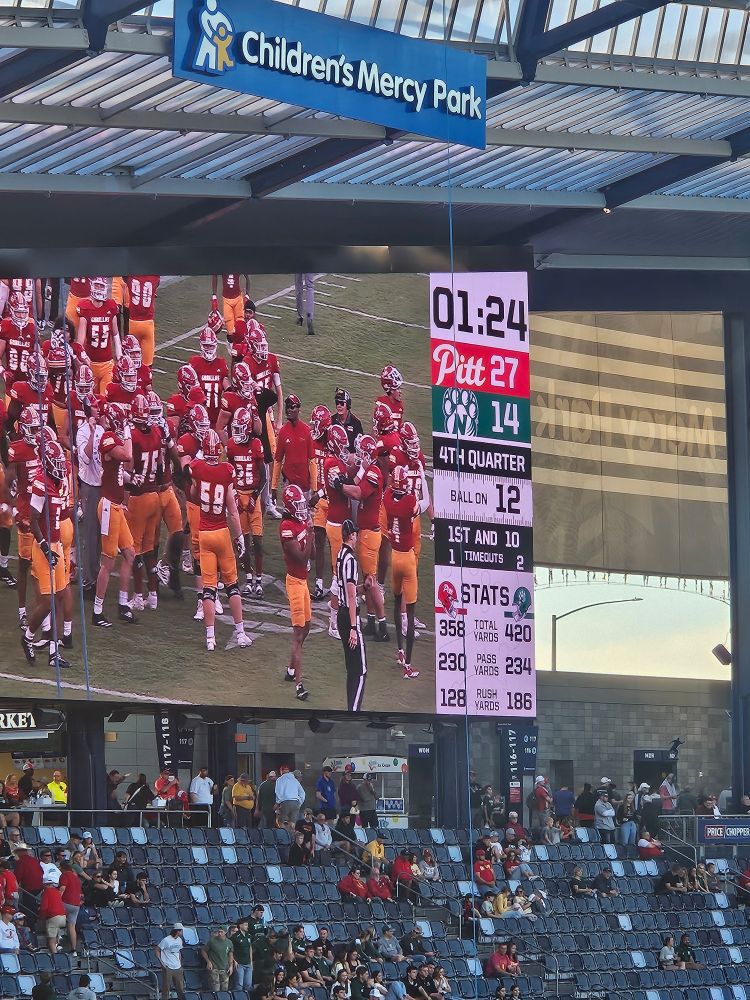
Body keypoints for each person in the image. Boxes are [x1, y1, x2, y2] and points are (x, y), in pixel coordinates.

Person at [280, 483, 314, 700]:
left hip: (304, 582)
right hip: (294, 582)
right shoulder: (286, 527)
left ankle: (291, 670)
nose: (302, 508)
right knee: (298, 634)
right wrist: (310, 534)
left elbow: (313, 555)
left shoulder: (299, 522)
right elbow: (301, 557)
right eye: (298, 504)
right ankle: (299, 685)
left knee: (307, 628)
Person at [335, 519, 367, 711]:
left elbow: (350, 589)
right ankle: (354, 712)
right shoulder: (351, 561)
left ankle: (350, 708)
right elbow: (351, 594)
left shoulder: (340, 556)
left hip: (342, 615)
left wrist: (365, 587)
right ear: (352, 536)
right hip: (349, 617)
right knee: (361, 672)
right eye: (356, 534)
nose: (357, 538)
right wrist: (354, 628)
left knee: (352, 671)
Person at [155, 923, 185, 1000]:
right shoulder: (166, 940)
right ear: (178, 931)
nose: (182, 932)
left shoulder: (179, 940)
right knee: (166, 988)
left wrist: (180, 963)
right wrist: (162, 962)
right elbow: (157, 950)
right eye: (181, 930)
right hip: (168, 967)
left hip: (177, 966)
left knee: (180, 988)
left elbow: (179, 952)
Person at [58, 859, 82, 955]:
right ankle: (74, 950)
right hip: (76, 905)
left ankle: (58, 942)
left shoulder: (65, 875)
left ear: (62, 868)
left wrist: (56, 901)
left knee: (54, 919)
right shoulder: (76, 877)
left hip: (66, 903)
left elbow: (62, 889)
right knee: (72, 926)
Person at [38, 873, 66, 954]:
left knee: (51, 940)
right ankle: (58, 944)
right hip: (63, 916)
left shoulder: (46, 892)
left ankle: (56, 957)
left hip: (53, 917)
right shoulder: (57, 891)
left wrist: (41, 918)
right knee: (55, 935)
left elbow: (44, 907)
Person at [231, 916, 254, 991]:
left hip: (248, 963)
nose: (247, 926)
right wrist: (234, 961)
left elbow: (250, 948)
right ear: (240, 926)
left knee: (248, 985)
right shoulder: (235, 937)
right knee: (239, 985)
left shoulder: (249, 936)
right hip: (239, 964)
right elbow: (230, 950)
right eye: (245, 925)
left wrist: (251, 961)